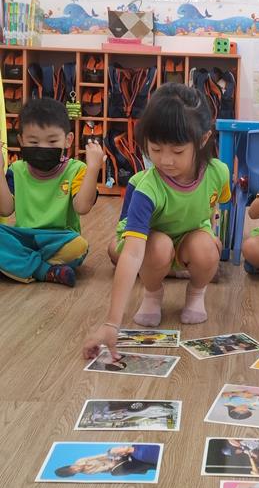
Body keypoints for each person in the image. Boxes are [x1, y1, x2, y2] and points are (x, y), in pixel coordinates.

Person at [82, 84, 231, 360]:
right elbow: (133, 253)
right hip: (152, 244)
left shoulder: (219, 172)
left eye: (177, 151)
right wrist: (112, 323)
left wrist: (211, 237)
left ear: (203, 139)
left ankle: (196, 292)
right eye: (156, 149)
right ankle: (153, 292)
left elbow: (213, 208)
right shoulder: (147, 188)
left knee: (207, 247)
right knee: (157, 246)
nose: (165, 160)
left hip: (189, 238)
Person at [0, 96, 104, 286]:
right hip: (24, 237)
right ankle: (45, 270)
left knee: (79, 247)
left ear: (68, 140)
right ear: (21, 140)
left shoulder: (76, 170)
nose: (42, 148)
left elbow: (82, 207)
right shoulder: (17, 170)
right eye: (33, 142)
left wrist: (93, 169)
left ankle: (18, 263)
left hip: (59, 239)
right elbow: (5, 210)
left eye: (52, 141)